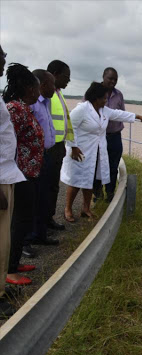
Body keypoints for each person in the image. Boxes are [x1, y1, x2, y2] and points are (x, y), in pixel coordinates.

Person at [61, 82, 142, 221]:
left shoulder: (103, 110)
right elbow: (70, 128)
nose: (106, 101)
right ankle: (68, 209)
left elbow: (118, 114)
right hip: (79, 150)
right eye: (104, 98)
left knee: (89, 179)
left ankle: (86, 208)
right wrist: (73, 147)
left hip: (95, 151)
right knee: (76, 180)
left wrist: (137, 116)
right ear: (96, 98)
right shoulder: (82, 109)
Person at [3, 63, 44, 286]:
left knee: (24, 219)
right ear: (29, 88)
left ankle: (14, 262)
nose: (38, 94)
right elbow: (8, 143)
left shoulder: (23, 108)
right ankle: (9, 270)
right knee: (19, 221)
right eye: (37, 89)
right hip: (20, 174)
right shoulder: (15, 109)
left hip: (29, 173)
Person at [0, 46, 26, 317]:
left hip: (6, 173)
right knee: (0, 240)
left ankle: (1, 287)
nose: (4, 59)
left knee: (3, 240)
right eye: (1, 56)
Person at [27, 69, 59, 246]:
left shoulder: (46, 102)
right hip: (33, 157)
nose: (55, 88)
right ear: (44, 85)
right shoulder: (31, 104)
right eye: (53, 84)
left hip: (47, 154)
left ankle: (40, 235)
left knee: (44, 196)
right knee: (33, 198)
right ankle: (27, 240)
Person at [46, 60, 72, 232]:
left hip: (58, 147)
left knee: (53, 187)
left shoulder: (58, 94)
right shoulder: (45, 95)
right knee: (44, 189)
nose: (68, 81)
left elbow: (64, 121)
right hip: (47, 148)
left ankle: (48, 219)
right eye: (66, 77)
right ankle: (36, 228)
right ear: (55, 74)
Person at [93, 67, 126, 203]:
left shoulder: (119, 95)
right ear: (103, 77)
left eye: (115, 79)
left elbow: (122, 113)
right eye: (110, 78)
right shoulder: (94, 91)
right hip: (98, 137)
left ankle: (110, 193)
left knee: (113, 166)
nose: (113, 81)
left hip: (115, 136)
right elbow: (86, 110)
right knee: (96, 165)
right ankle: (97, 193)